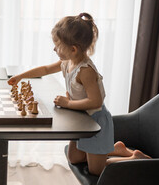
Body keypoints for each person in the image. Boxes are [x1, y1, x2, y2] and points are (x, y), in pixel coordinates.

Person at [8, 12, 114, 176]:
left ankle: (131, 158)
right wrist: (21, 76)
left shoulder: (85, 71)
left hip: (95, 122)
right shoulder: (68, 61)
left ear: (73, 49)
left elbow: (96, 102)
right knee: (73, 158)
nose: (54, 48)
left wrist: (68, 103)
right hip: (82, 119)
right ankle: (111, 150)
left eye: (57, 45)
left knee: (96, 171)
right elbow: (45, 69)